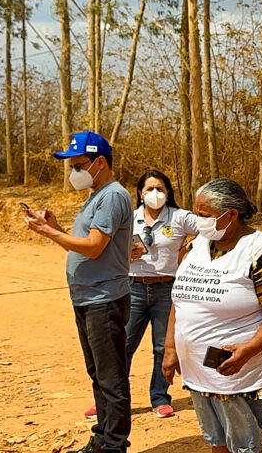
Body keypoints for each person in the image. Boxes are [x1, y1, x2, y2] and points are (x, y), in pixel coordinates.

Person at [162, 178, 262, 453]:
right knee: (217, 442)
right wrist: (170, 348)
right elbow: (180, 299)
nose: (198, 220)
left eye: (204, 215)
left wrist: (250, 348)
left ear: (232, 214)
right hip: (198, 372)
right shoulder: (197, 245)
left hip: (237, 372)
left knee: (244, 446)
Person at [25, 131, 133, 453]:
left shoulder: (112, 196)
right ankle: (101, 439)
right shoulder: (95, 196)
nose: (74, 172)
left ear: (100, 162)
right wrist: (56, 229)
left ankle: (114, 445)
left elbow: (95, 247)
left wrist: (49, 234)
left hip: (104, 300)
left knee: (111, 378)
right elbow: (82, 247)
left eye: (78, 165)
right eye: (71, 166)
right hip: (87, 298)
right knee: (98, 374)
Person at [84, 170, 199, 422]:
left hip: (167, 289)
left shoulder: (180, 218)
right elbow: (102, 244)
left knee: (162, 346)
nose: (154, 193)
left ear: (168, 192)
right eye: (149, 189)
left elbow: (209, 228)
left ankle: (160, 397)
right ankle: (108, 401)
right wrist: (124, 255)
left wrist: (189, 249)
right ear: (139, 192)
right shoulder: (129, 217)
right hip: (132, 287)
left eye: (160, 188)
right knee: (121, 346)